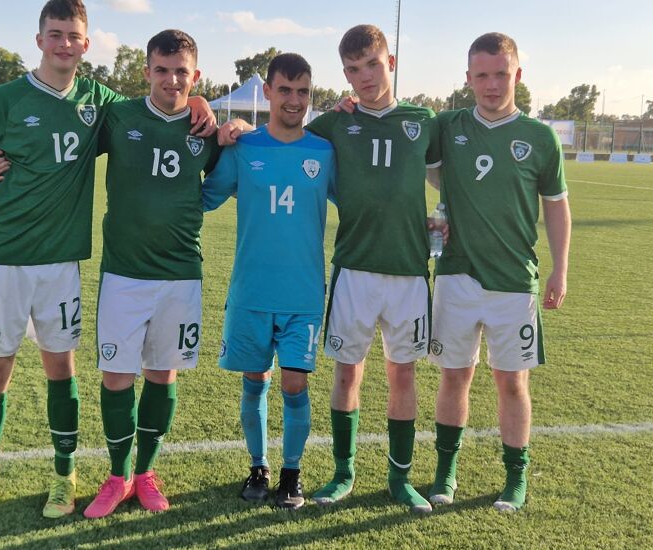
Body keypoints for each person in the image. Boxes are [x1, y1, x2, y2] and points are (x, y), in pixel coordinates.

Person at [0, 1, 213, 522]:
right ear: (40, 39)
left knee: (61, 369)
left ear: (86, 44)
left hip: (62, 264)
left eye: (73, 35)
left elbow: (170, 96)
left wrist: (201, 101)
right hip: (2, 259)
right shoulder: (6, 99)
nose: (64, 43)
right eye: (55, 34)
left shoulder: (101, 102)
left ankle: (64, 476)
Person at [426, 32, 571, 513]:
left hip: (515, 281)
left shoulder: (540, 137)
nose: (491, 85)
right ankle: (445, 473)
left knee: (512, 383)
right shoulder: (446, 125)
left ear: (518, 76)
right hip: (457, 275)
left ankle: (516, 476)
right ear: (468, 78)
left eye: (501, 74)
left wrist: (559, 270)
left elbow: (555, 207)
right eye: (482, 75)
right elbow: (398, 144)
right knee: (455, 377)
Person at [82, 29, 221, 519]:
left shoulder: (208, 130)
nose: (171, 79)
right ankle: (117, 475)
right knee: (117, 375)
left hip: (181, 274)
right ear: (146, 72)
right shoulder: (119, 115)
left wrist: (231, 120)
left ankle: (145, 473)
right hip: (124, 272)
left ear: (195, 75)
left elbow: (237, 150)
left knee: (162, 373)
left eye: (182, 71)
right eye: (161, 69)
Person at [306, 24, 441, 513]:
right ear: (344, 74)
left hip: (408, 271)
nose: (364, 76)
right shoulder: (335, 123)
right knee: (347, 372)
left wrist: (441, 217)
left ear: (391, 62)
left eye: (372, 64)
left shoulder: (423, 121)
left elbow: (456, 173)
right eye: (352, 69)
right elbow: (283, 134)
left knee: (403, 374)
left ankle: (399, 479)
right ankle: (343, 472)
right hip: (355, 270)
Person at [202, 53, 336, 510]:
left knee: (295, 383)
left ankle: (292, 474)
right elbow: (203, 196)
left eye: (303, 92)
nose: (294, 100)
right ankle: (258, 466)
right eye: (286, 90)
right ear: (268, 92)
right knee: (255, 378)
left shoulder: (323, 151)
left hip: (302, 294)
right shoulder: (245, 148)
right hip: (252, 292)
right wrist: (211, 139)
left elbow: (363, 200)